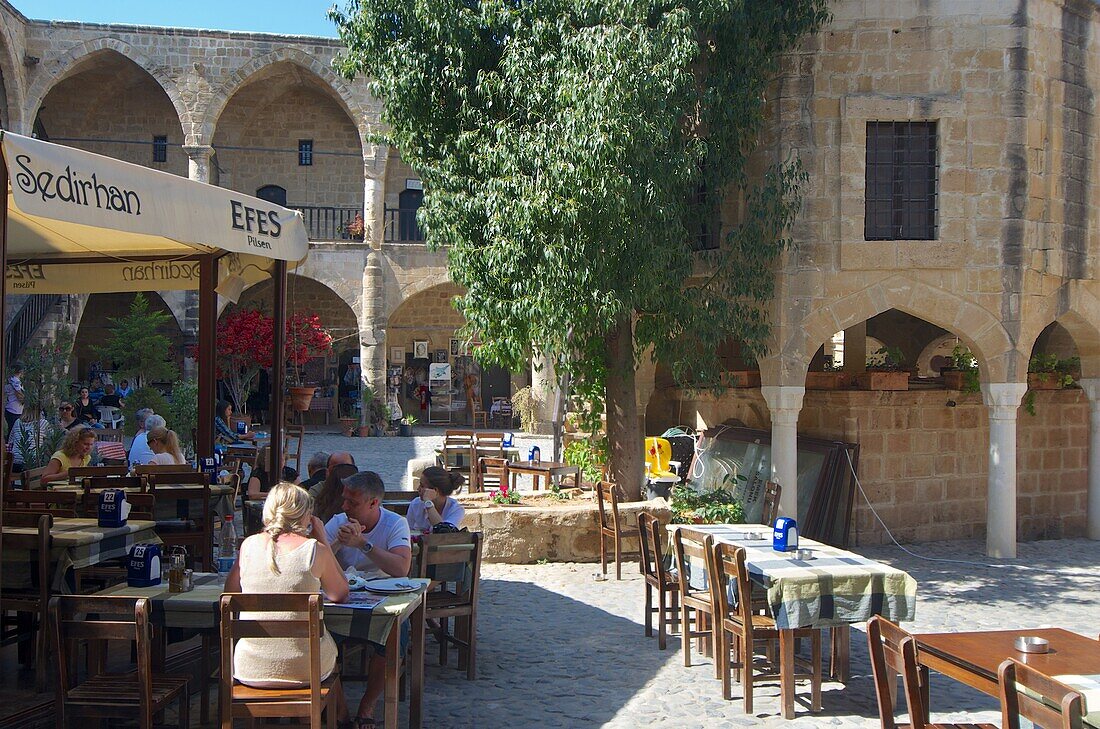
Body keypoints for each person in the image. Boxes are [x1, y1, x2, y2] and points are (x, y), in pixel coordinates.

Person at [223, 482, 350, 708]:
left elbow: (230, 593)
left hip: (250, 666)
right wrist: (323, 540)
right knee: (331, 652)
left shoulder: (249, 546)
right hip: (303, 668)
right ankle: (340, 717)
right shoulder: (314, 550)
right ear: (307, 516)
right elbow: (340, 594)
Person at [323, 471, 412, 726]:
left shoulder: (395, 523)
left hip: (383, 599)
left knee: (396, 635)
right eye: (345, 500)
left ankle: (368, 705)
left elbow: (401, 568)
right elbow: (313, 563)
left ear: (374, 503)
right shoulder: (338, 521)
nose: (345, 507)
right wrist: (339, 544)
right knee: (319, 637)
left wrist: (364, 544)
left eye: (353, 502)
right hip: (342, 599)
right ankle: (339, 710)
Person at [407, 466, 467, 535]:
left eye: (422, 486)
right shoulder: (415, 504)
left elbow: (443, 533)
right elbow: (407, 533)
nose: (418, 489)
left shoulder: (456, 510)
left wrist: (428, 504)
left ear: (435, 490)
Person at [4, 362, 25, 431]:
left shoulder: (11, 380)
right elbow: (19, 395)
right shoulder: (15, 381)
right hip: (14, 411)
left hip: (14, 410)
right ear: (20, 371)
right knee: (13, 433)